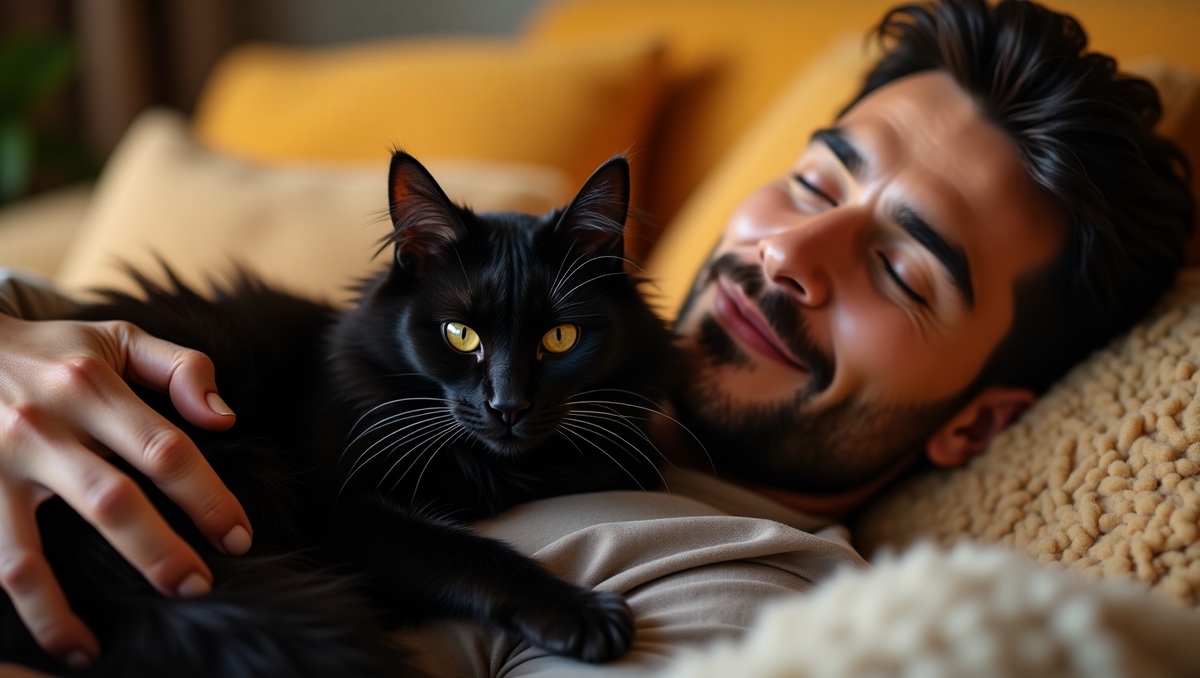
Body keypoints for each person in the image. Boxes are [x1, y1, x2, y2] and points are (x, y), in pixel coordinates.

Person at [0, 0, 1193, 674]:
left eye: (899, 267)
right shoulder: (388, 357)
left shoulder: (742, 597)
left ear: (981, 420)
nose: (791, 253)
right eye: (819, 180)